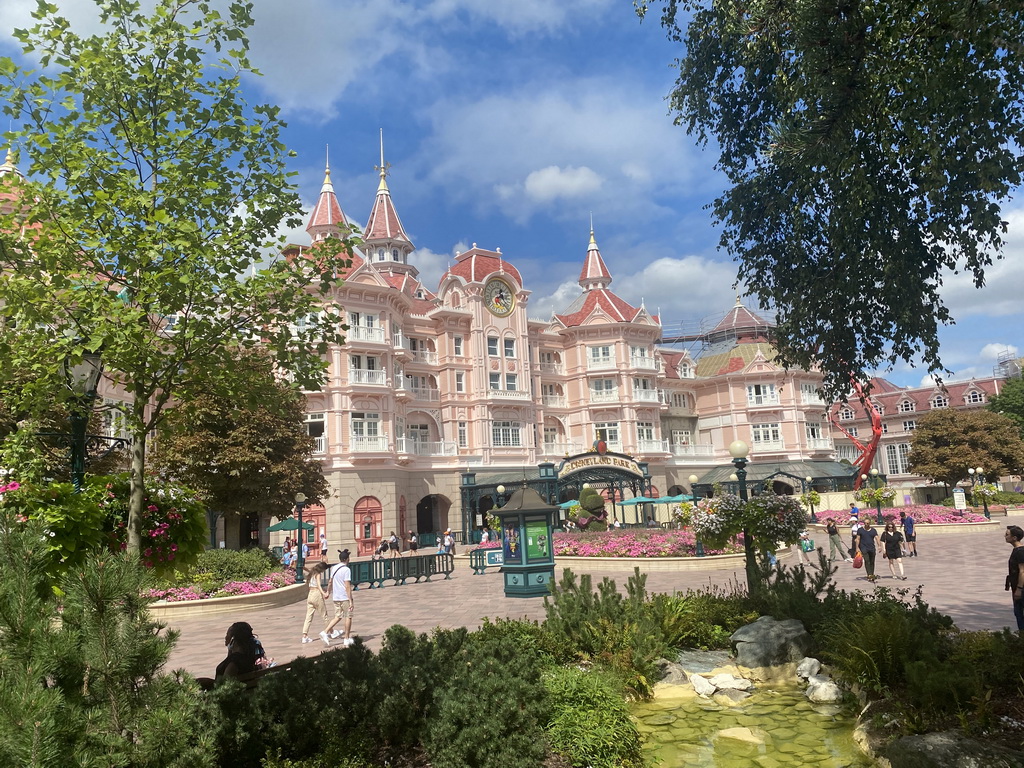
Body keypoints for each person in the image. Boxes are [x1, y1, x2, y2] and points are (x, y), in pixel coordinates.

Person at [197, 621, 258, 689]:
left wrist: (205, 682)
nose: (225, 638)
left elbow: (224, 686)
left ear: (233, 639)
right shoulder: (247, 657)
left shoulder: (235, 662)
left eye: (227, 635)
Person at [323, 549, 354, 646]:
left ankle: (325, 632)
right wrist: (350, 600)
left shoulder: (334, 568)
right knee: (348, 617)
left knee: (338, 616)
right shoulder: (346, 570)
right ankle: (346, 638)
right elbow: (347, 585)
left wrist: (328, 591)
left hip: (336, 597)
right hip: (344, 596)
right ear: (346, 559)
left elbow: (330, 581)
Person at [301, 561, 331, 643]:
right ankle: (330, 631)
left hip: (310, 594)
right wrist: (324, 593)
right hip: (316, 594)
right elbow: (318, 585)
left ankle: (304, 635)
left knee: (308, 616)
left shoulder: (311, 573)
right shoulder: (318, 574)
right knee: (324, 615)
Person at [1005, 525, 1024, 631]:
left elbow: (1023, 571)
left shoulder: (1020, 551)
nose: (1005, 536)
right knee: (1018, 613)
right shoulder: (1016, 550)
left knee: (1019, 613)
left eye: (1007, 535)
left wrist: (1019, 589)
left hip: (1021, 589)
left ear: (1015, 538)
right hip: (1016, 587)